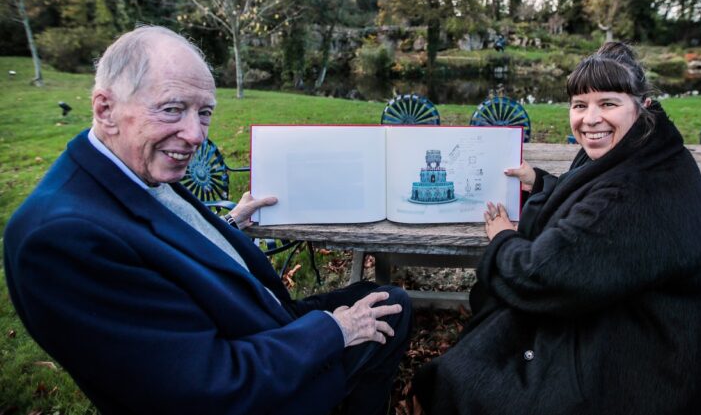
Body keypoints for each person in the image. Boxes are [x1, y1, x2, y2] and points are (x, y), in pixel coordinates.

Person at [4, 26, 412, 415]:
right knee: (392, 311)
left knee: (386, 297)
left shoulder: (128, 167)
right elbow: (208, 387)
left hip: (260, 323)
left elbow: (164, 245)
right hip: (263, 384)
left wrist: (229, 225)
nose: (196, 134)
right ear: (105, 109)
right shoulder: (61, 240)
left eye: (204, 113)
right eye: (172, 109)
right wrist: (335, 331)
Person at [413, 42, 701, 414]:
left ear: (641, 105)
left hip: (662, 362)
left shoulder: (634, 193)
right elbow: (590, 194)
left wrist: (502, 238)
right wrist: (544, 182)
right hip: (659, 319)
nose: (590, 118)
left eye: (608, 103)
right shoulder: (647, 147)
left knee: (468, 377)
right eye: (579, 105)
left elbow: (541, 274)